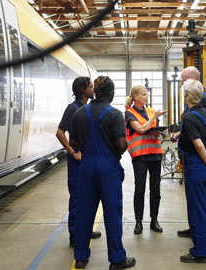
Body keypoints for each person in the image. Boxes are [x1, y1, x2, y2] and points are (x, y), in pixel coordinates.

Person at [69, 76, 136, 270]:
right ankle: (116, 259)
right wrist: (124, 146)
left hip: (86, 168)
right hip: (108, 169)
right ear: (111, 93)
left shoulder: (79, 113)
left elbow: (73, 142)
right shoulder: (114, 114)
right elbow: (121, 144)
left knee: (84, 213)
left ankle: (81, 257)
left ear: (96, 92)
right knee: (113, 214)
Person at [171, 66, 206, 238]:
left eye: (183, 81)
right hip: (201, 158)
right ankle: (199, 232)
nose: (181, 83)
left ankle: (203, 240)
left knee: (200, 203)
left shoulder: (204, 100)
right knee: (198, 203)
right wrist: (181, 133)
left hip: (199, 159)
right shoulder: (196, 106)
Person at [178, 79, 206, 263]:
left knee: (198, 209)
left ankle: (201, 252)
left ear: (186, 96)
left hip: (198, 167)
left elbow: (198, 144)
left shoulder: (188, 117)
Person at [55, 77, 101, 248]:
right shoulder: (72, 109)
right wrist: (72, 152)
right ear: (83, 90)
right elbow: (60, 133)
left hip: (87, 159)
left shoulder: (86, 108)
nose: (93, 89)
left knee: (88, 197)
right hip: (77, 161)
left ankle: (85, 230)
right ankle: (75, 235)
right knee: (76, 198)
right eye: (90, 86)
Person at [124, 85, 167, 234]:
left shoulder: (150, 111)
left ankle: (154, 220)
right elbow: (140, 129)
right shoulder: (129, 113)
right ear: (135, 97)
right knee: (139, 189)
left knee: (156, 189)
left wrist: (159, 133)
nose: (146, 97)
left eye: (147, 94)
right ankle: (138, 222)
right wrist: (154, 119)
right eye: (143, 94)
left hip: (155, 154)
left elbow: (152, 132)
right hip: (140, 156)